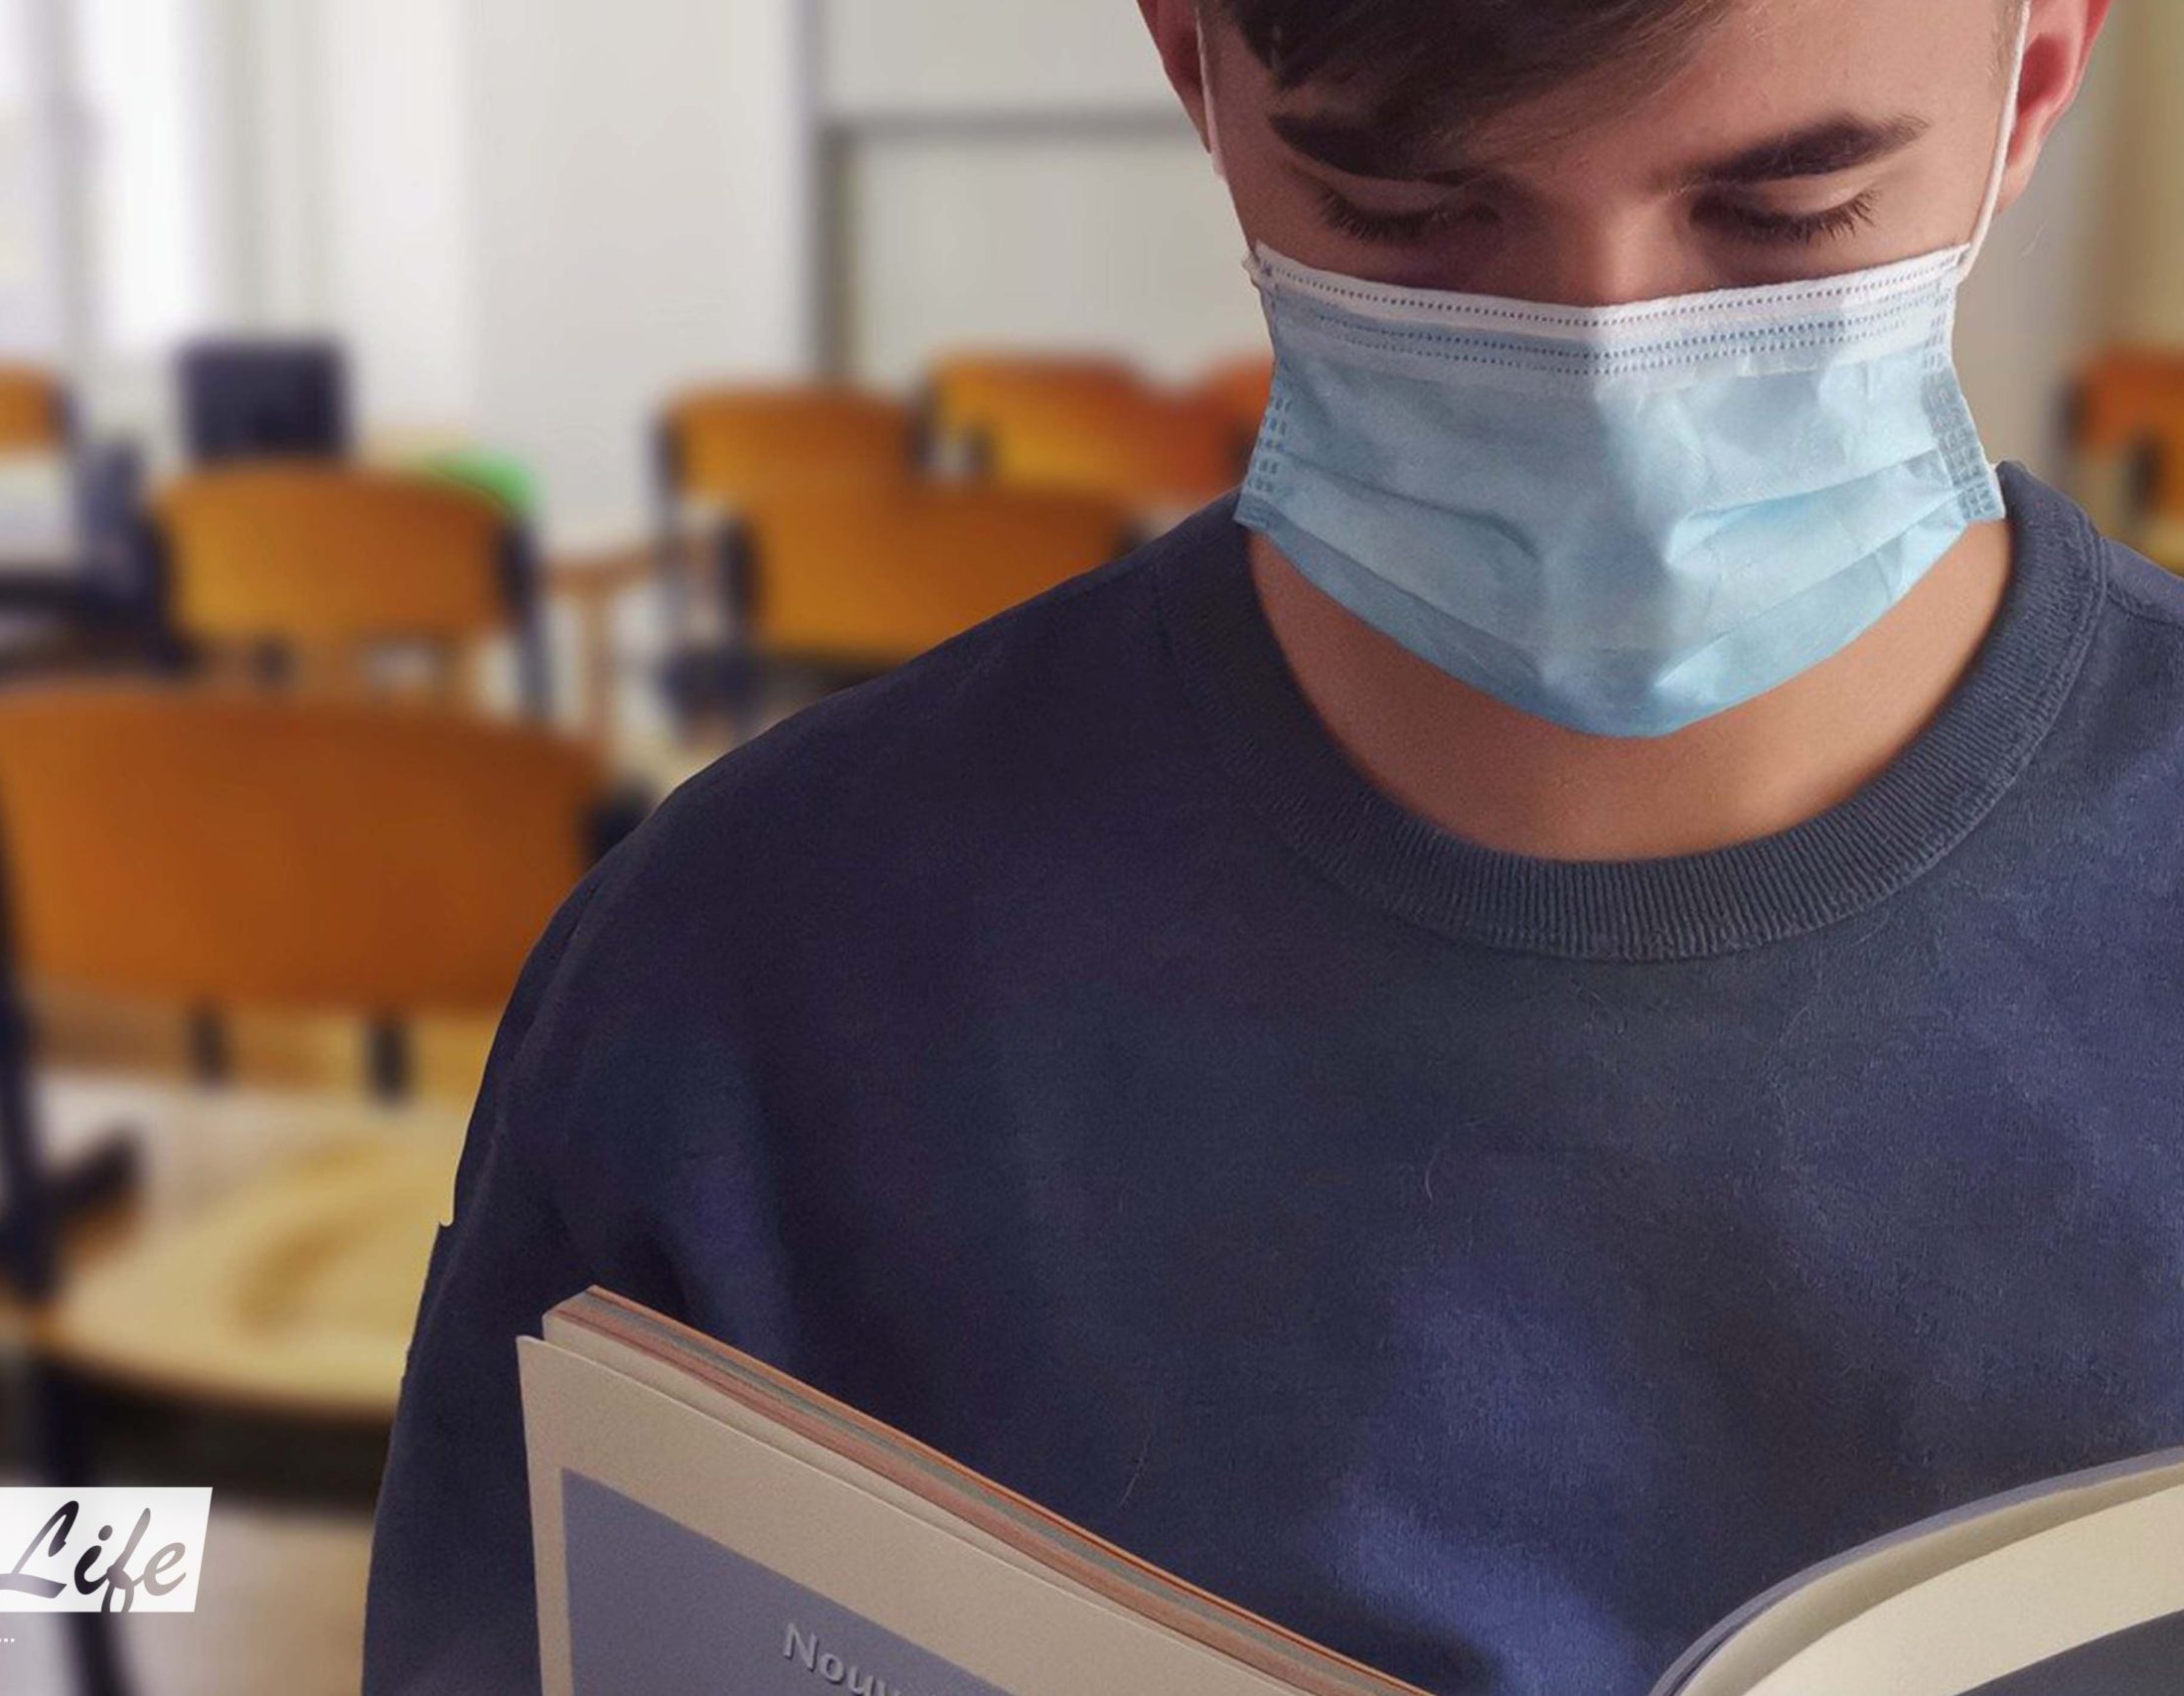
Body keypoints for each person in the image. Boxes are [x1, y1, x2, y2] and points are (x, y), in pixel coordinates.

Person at [367, 2, 2157, 1691]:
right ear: (1194, 64)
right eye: (1410, 214)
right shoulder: (742, 990)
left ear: (2037, 68)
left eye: (1788, 214)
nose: (1611, 369)